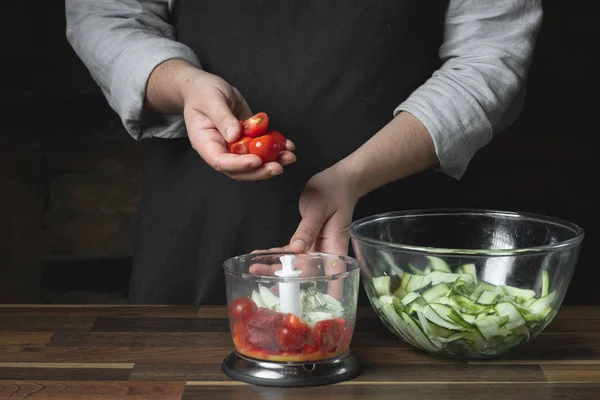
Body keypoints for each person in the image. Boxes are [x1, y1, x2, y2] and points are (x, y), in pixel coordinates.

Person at [65, 0, 543, 305]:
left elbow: (489, 60)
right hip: (198, 230)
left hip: (390, 239)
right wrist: (184, 84)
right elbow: (105, 14)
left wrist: (355, 175)